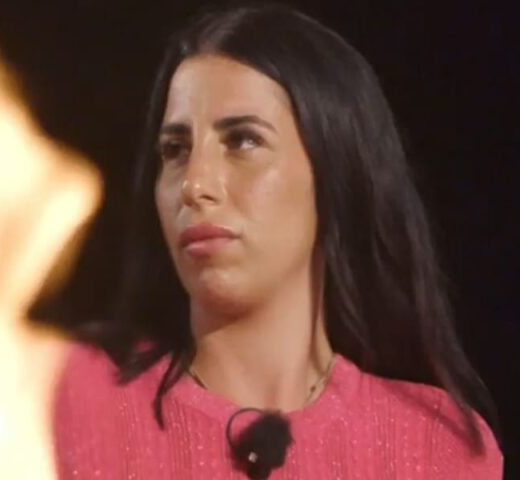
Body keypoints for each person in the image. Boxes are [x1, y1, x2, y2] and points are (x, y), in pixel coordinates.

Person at [52, 3, 503, 479]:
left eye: (243, 141)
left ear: (335, 171)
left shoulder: (439, 449)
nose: (194, 183)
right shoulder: (67, 412)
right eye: (176, 149)